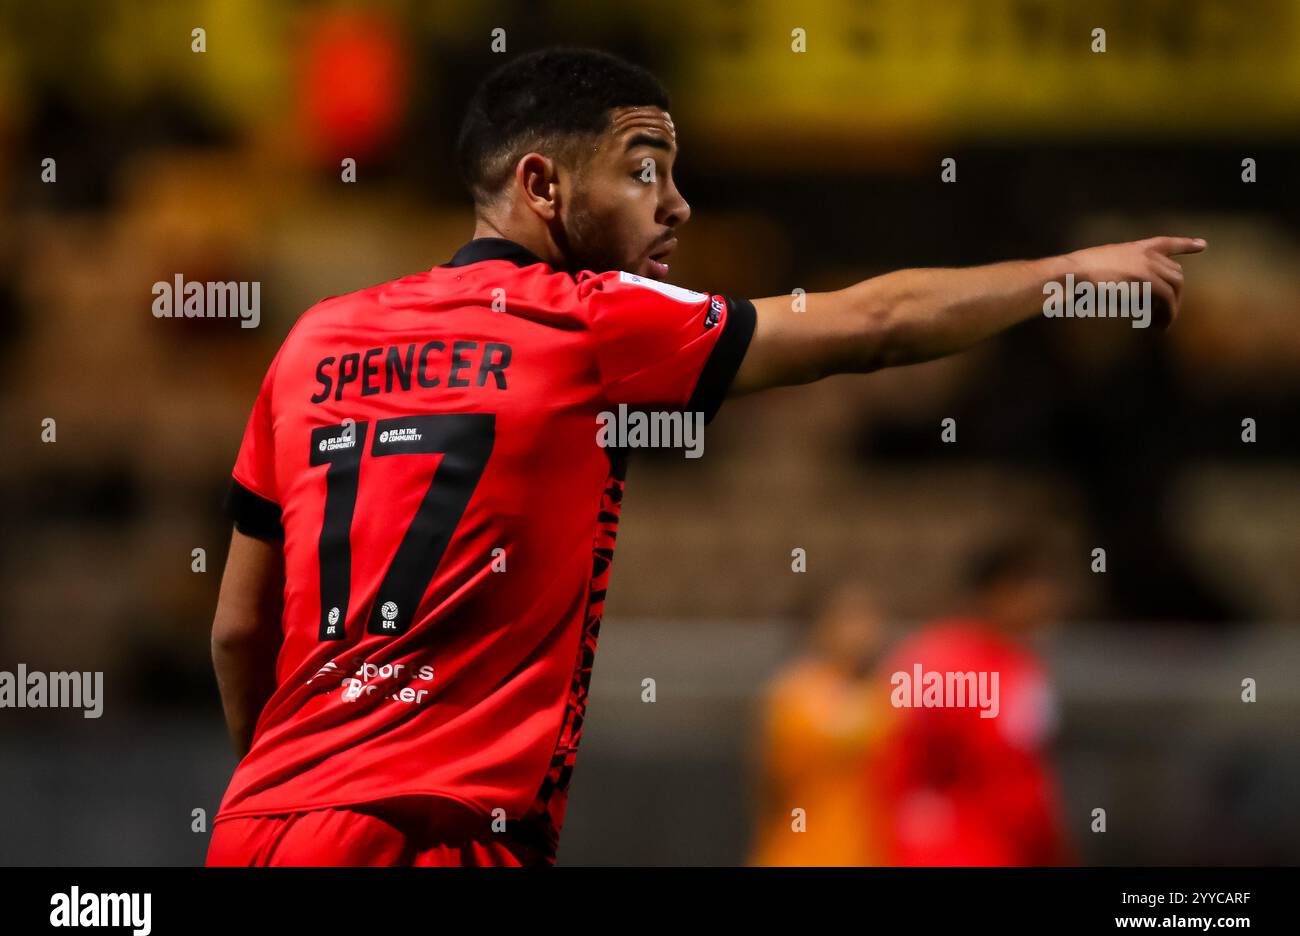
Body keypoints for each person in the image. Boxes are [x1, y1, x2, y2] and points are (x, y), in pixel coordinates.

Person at [206, 46, 1204, 866]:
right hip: (437, 834)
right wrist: (1065, 273)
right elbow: (875, 321)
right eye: (644, 169)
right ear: (541, 184)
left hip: (257, 826)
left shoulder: (313, 340)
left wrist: (294, 795)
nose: (677, 203)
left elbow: (238, 630)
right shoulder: (586, 322)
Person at [869, 536, 1075, 866]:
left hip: (1012, 850)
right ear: (1000, 592)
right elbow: (896, 761)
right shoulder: (940, 662)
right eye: (1033, 588)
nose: (1046, 601)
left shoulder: (1021, 665)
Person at [751, 583, 890, 866]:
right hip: (802, 855)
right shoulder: (798, 693)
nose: (865, 630)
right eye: (851, 618)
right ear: (820, 628)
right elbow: (848, 730)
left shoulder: (874, 691)